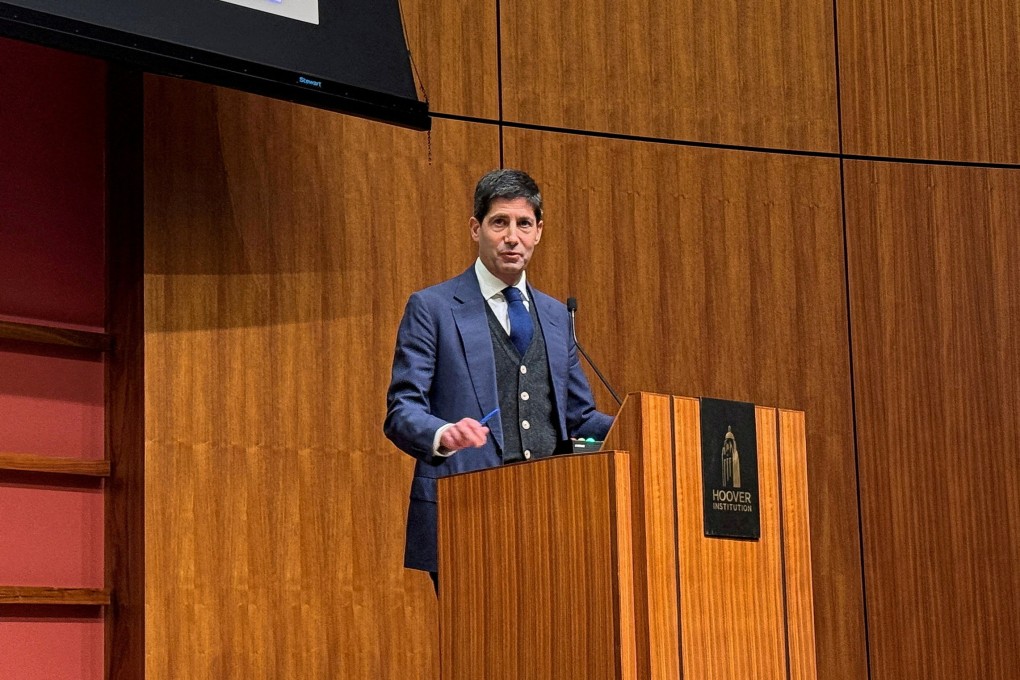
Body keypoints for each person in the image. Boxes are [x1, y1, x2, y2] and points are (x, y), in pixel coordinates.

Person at [383, 169, 614, 588]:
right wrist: (443, 433)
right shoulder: (432, 308)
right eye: (499, 222)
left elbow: (579, 419)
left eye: (524, 224)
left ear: (539, 232)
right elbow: (402, 410)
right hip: (467, 513)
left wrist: (639, 423)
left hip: (553, 518)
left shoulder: (557, 318)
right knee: (477, 649)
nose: (512, 237)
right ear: (476, 228)